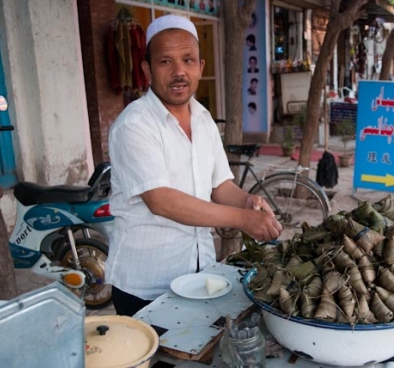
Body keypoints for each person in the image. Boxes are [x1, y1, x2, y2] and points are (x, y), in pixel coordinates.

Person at [106, 15, 282, 316]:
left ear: (201, 67)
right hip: (146, 285)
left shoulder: (203, 119)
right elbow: (161, 201)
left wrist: (247, 201)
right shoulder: (134, 125)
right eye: (165, 62)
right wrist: (242, 220)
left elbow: (220, 185)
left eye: (188, 60)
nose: (179, 72)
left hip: (199, 274)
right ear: (147, 69)